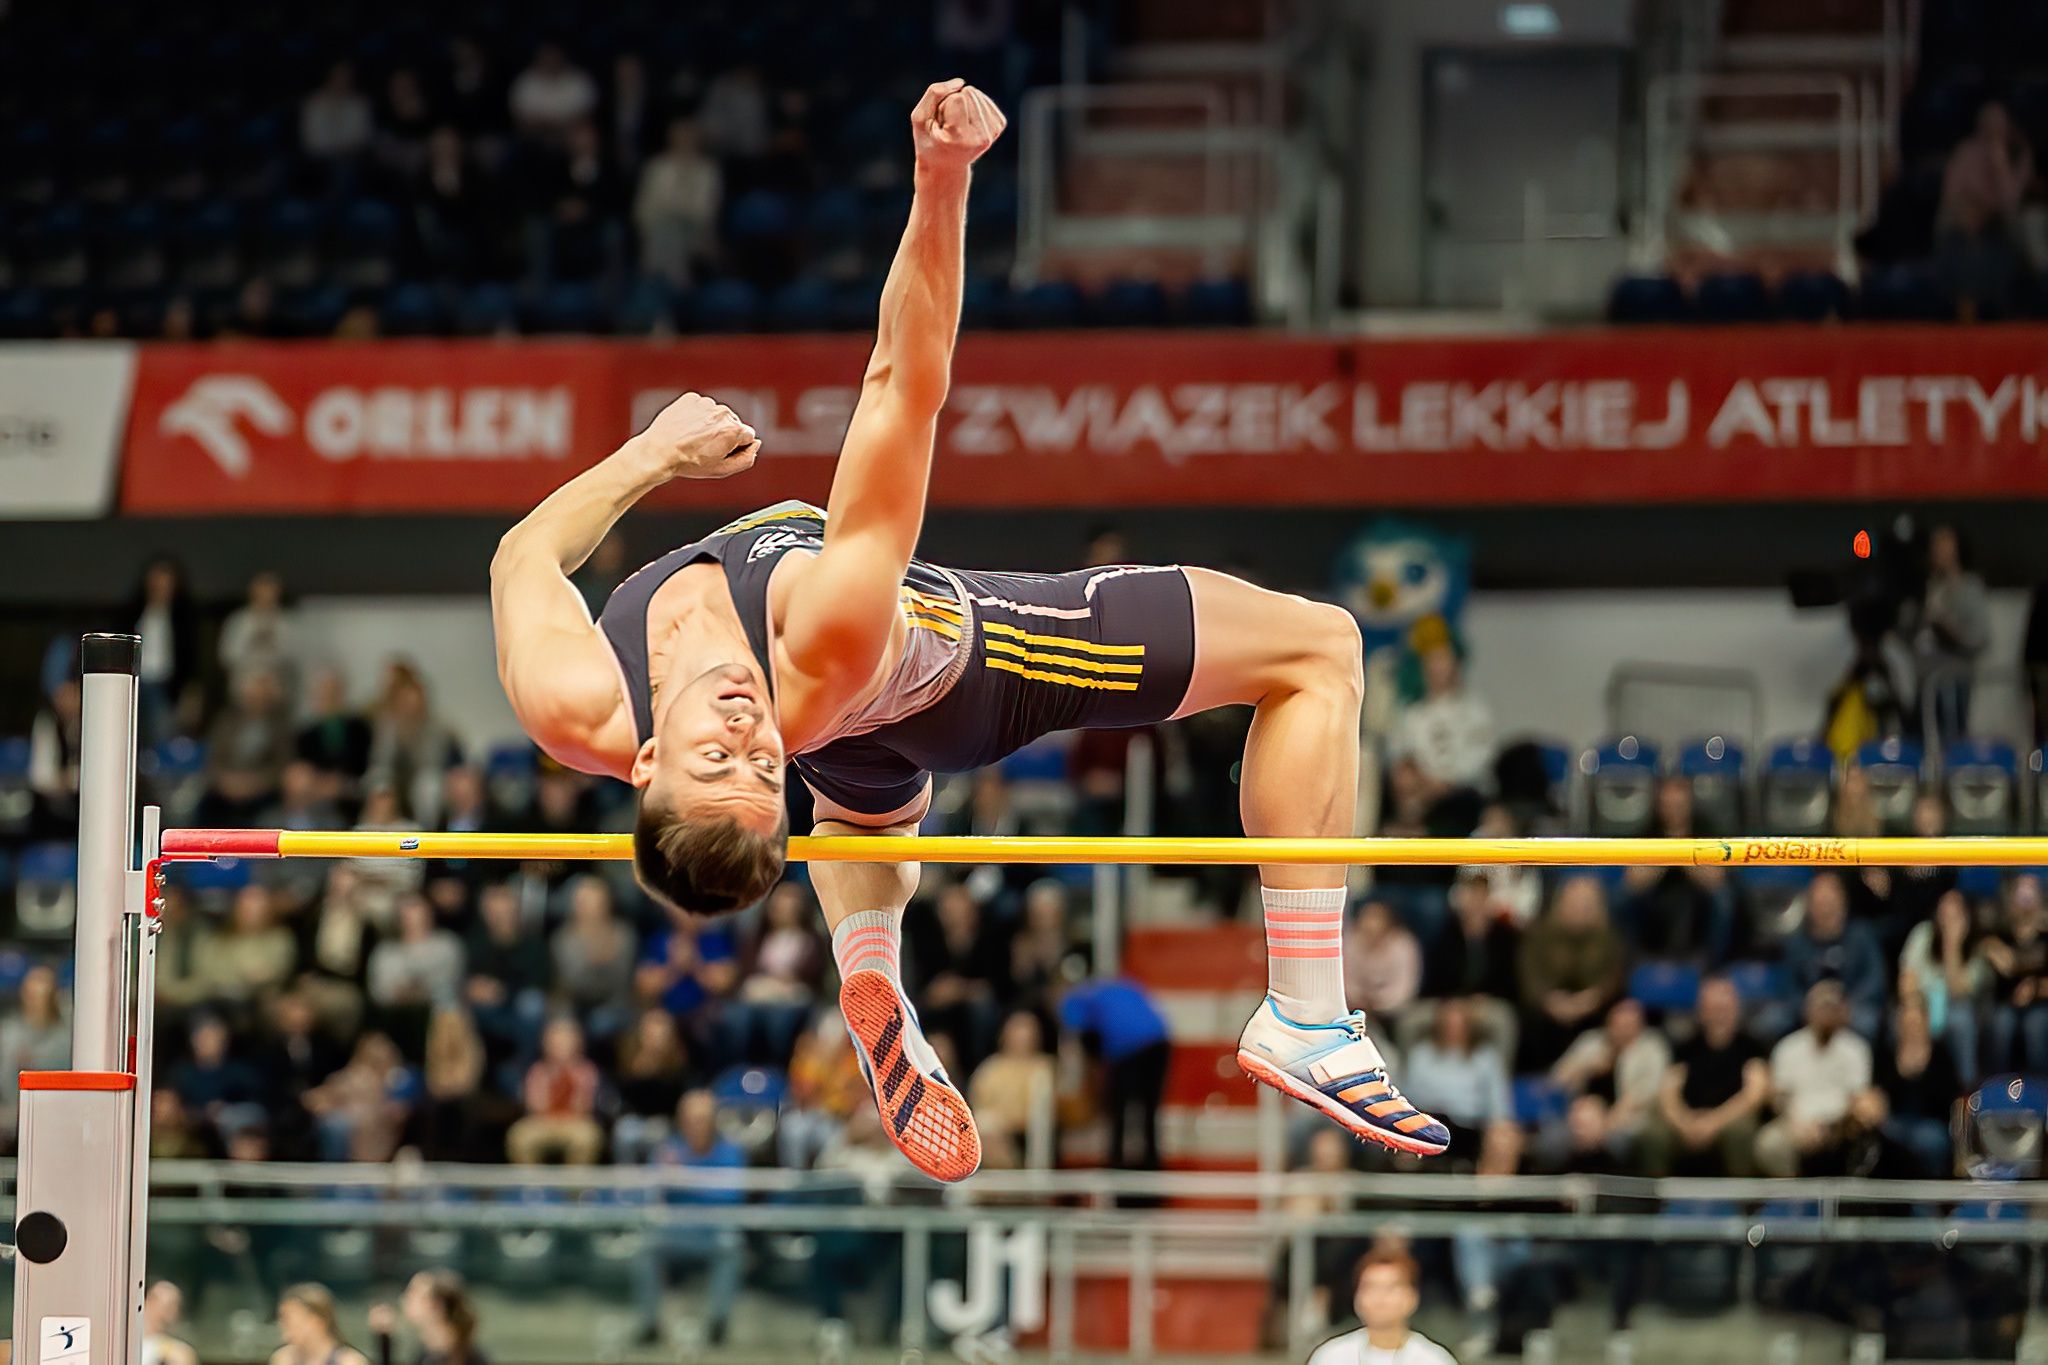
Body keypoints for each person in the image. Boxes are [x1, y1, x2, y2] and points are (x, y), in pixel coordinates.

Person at [488, 80, 1444, 1182]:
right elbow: (904, 388)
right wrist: (941, 183)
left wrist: (652, 455)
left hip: (852, 736)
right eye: (760, 772)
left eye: (722, 758)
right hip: (970, 667)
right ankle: (1307, 1014)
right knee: (1318, 649)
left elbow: (523, 555)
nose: (751, 737)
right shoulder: (816, 637)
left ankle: (870, 968)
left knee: (862, 796)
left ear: (645, 759)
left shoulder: (572, 703)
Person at [634, 1090, 745, 1346]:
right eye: (690, 1119)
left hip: (713, 1231)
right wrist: (673, 1177)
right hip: (676, 1229)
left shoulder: (730, 1152)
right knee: (646, 1248)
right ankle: (650, 1325)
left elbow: (731, 1196)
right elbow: (652, 1192)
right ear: (681, 1121)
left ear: (713, 1122)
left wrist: (682, 1177)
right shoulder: (667, 1150)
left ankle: (718, 1324)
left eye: (702, 1119)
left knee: (731, 1245)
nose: (696, 1125)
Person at [1643, 975, 1767, 1177]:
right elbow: (1668, 1093)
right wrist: (1684, 1122)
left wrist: (1713, 1122)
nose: (1719, 1015)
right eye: (1713, 1008)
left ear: (1736, 1009)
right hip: (1689, 1119)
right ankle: (1658, 1195)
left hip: (1729, 1120)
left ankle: (1740, 1195)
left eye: (1724, 1008)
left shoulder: (1752, 1047)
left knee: (1741, 1130)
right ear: (1701, 1011)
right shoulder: (1685, 1048)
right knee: (1652, 1133)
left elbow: (1754, 1096)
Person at [1755, 981, 1873, 1177]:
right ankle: (1793, 1193)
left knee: (1864, 1137)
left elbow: (1858, 1098)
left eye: (1832, 1007)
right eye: (1821, 1006)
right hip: (1795, 1122)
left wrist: (1832, 1128)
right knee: (1769, 1143)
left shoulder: (1856, 1049)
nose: (1826, 1013)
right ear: (1807, 1011)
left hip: (1840, 1126)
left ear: (1843, 1011)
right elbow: (1779, 1098)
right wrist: (1797, 1125)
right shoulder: (1787, 1048)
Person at [1058, 974, 1171, 1172]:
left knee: (1119, 1106)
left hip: (1126, 1047)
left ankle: (1115, 1159)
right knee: (1149, 1106)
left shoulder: (1074, 1000)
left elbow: (1078, 1033)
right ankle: (1152, 1160)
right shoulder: (1122, 985)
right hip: (1159, 1041)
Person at [1515, 875, 1625, 1069]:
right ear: (1561, 903)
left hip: (1594, 1012)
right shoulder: (1539, 935)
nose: (1580, 909)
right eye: (1575, 903)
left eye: (1587, 904)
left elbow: (1613, 978)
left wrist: (1592, 999)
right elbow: (1529, 975)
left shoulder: (1610, 939)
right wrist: (1549, 1001)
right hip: (1546, 1012)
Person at [1904, 523, 1991, 742]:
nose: (1938, 549)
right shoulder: (1931, 586)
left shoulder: (1970, 587)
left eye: (1944, 543)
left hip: (1952, 680)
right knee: (1920, 742)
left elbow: (1978, 637)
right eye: (1935, 544)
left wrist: (1946, 629)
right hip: (1925, 681)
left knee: (1951, 742)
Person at [1781, 871, 1886, 1040]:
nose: (1826, 910)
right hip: (1808, 1011)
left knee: (1868, 1021)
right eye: (1821, 904)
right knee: (1774, 1020)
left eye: (1830, 904)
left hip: (1851, 1008)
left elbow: (1875, 980)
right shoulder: (1796, 943)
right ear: (1810, 907)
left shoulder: (1861, 935)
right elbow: (1789, 987)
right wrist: (1808, 1007)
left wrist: (1846, 1006)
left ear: (1843, 903)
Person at [1306, 1247, 1457, 1365]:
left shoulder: (1434, 1359)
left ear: (1412, 1298)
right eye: (1370, 1287)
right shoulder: (1331, 1356)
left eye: (1390, 1288)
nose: (1380, 1297)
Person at [1899, 887, 1989, 1085]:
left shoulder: (1977, 948)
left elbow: (1957, 991)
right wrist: (1914, 1008)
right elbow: (1907, 979)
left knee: (1961, 1021)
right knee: (1898, 1021)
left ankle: (1968, 1086)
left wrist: (1951, 944)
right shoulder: (1923, 933)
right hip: (1919, 1004)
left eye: (1954, 914)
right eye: (1944, 912)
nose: (1947, 919)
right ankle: (1904, 1090)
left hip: (1954, 1008)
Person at [634, 117, 722, 286]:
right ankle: (678, 282)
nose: (684, 141)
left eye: (688, 136)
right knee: (666, 232)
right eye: (680, 136)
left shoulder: (708, 170)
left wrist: (673, 211)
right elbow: (643, 209)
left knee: (671, 232)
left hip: (694, 230)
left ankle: (664, 283)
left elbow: (705, 211)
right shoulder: (656, 167)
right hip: (658, 231)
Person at [504, 1016, 603, 1165]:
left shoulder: (586, 1070)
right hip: (543, 1121)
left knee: (587, 1137)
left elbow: (586, 1105)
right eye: (556, 1042)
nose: (560, 1046)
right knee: (519, 1136)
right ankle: (530, 1179)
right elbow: (534, 1105)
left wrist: (570, 1079)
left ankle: (576, 1179)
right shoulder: (538, 1070)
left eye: (565, 1041)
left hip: (575, 1122)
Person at [968, 1008, 1056, 1168]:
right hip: (989, 1132)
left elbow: (1042, 1111)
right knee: (985, 1126)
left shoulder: (1043, 1068)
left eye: (1027, 1029)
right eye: (1017, 1029)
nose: (1022, 1036)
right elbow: (977, 1103)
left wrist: (1007, 1123)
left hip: (1025, 1136)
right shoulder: (991, 1067)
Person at [371, 1269, 489, 1365]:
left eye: (412, 1293)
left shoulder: (463, 1357)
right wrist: (384, 1340)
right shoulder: (428, 1353)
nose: (403, 1299)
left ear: (436, 1305)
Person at [219, 570, 304, 696]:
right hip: (246, 680)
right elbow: (228, 655)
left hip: (277, 680)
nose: (266, 596)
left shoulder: (287, 622)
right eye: (262, 591)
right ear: (253, 592)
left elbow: (294, 656)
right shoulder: (239, 620)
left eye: (270, 591)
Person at [271, 1283, 371, 1365]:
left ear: (317, 1321)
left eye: (288, 1319)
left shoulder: (350, 1361)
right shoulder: (283, 1358)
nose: (281, 1324)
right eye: (281, 1318)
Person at [140, 1280, 199, 1365]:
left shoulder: (178, 1352)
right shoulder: (128, 1341)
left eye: (172, 1306)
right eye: (163, 1305)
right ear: (146, 1302)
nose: (167, 1312)